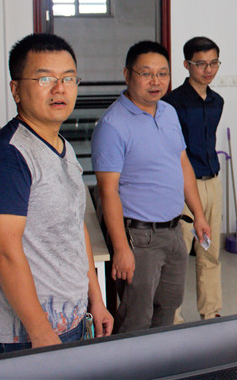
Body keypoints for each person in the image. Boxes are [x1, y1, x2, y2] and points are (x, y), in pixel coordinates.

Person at [0, 33, 113, 354]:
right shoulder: (7, 156)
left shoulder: (63, 147)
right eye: (45, 78)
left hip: (71, 322)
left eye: (69, 78)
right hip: (26, 339)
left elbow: (75, 228)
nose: (59, 88)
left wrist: (96, 300)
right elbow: (4, 252)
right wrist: (40, 332)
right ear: (16, 90)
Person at [91, 40, 212, 333]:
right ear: (127, 74)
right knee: (136, 318)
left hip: (174, 230)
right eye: (146, 73)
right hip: (139, 237)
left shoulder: (168, 112)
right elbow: (108, 191)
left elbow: (183, 164)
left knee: (167, 310)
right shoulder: (112, 125)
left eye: (162, 73)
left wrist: (198, 215)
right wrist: (121, 248)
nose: (156, 81)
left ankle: (159, 360)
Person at [163, 37, 224, 320]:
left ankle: (211, 313)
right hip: (184, 186)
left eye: (214, 63)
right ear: (187, 65)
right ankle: (173, 318)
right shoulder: (171, 104)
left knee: (211, 253)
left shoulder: (217, 101)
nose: (208, 70)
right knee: (179, 256)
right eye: (201, 64)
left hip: (213, 181)